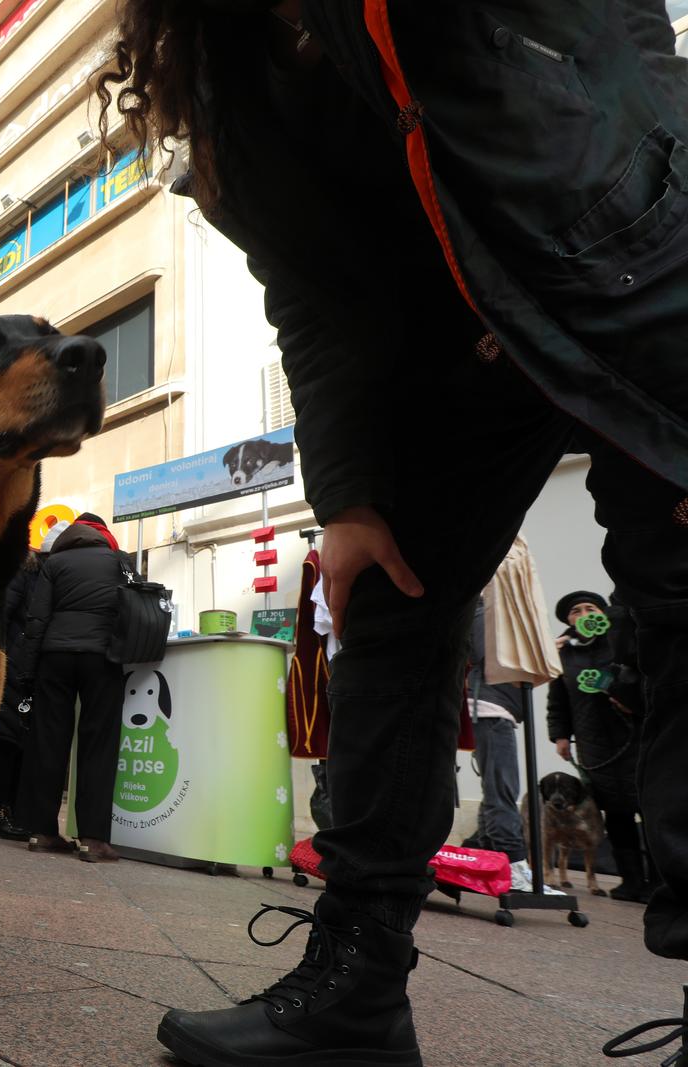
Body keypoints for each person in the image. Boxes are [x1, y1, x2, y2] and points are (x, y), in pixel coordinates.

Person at [96, 4, 688, 1063]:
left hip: (632, 261)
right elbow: (307, 298)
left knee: (684, 581)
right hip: (457, 350)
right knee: (389, 602)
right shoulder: (233, 78)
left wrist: (645, 144)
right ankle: (354, 983)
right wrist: (349, 498)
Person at [13, 513, 126, 863]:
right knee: (98, 744)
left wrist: (27, 670)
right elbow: (134, 607)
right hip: (103, 657)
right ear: (103, 536)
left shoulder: (55, 562)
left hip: (55, 658)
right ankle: (93, 841)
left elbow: (37, 618)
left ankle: (42, 832)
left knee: (48, 741)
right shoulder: (119, 561)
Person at [548, 590, 652, 904]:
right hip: (594, 745)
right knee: (616, 812)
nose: (583, 614)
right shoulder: (564, 652)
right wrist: (560, 736)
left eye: (590, 608)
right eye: (575, 611)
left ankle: (662, 879)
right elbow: (558, 701)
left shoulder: (620, 641)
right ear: (568, 620)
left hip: (633, 737)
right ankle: (631, 881)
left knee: (649, 808)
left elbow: (641, 678)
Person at [461, 595, 539, 892]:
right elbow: (483, 651)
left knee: (497, 788)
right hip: (490, 709)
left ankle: (488, 858)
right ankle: (513, 864)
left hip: (496, 709)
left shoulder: (491, 609)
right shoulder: (485, 607)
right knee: (503, 789)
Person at [0, 548, 44, 841]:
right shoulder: (26, 573)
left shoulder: (37, 574)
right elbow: (4, 616)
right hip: (14, 665)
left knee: (17, 741)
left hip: (22, 665)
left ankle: (9, 812)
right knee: (8, 740)